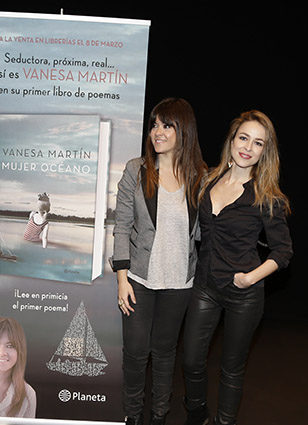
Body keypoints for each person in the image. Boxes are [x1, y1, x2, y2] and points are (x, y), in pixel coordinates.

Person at [181, 110, 293, 425]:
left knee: (232, 367)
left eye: (258, 143)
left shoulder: (265, 195)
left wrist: (250, 278)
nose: (247, 147)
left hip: (244, 295)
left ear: (264, 152)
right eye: (243, 138)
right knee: (191, 361)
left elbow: (283, 251)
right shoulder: (209, 179)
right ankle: (196, 415)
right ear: (232, 140)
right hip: (205, 286)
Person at [111, 98, 207, 425]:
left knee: (165, 355)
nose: (157, 132)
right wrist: (122, 279)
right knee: (136, 354)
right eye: (154, 124)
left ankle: (159, 415)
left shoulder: (200, 177)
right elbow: (121, 225)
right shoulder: (136, 170)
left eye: (167, 125)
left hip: (180, 283)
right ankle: (133, 416)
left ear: (184, 130)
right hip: (139, 279)